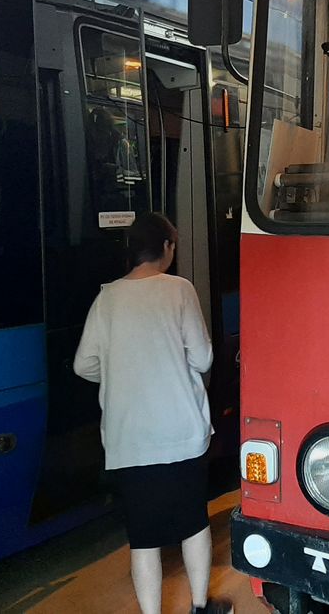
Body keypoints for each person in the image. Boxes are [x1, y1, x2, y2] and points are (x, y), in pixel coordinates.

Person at [73, 213, 230, 614]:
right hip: (181, 432)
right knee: (193, 523)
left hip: (129, 439)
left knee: (143, 538)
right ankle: (200, 607)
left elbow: (83, 365)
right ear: (166, 247)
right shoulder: (179, 290)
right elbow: (203, 357)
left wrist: (121, 370)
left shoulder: (107, 298)